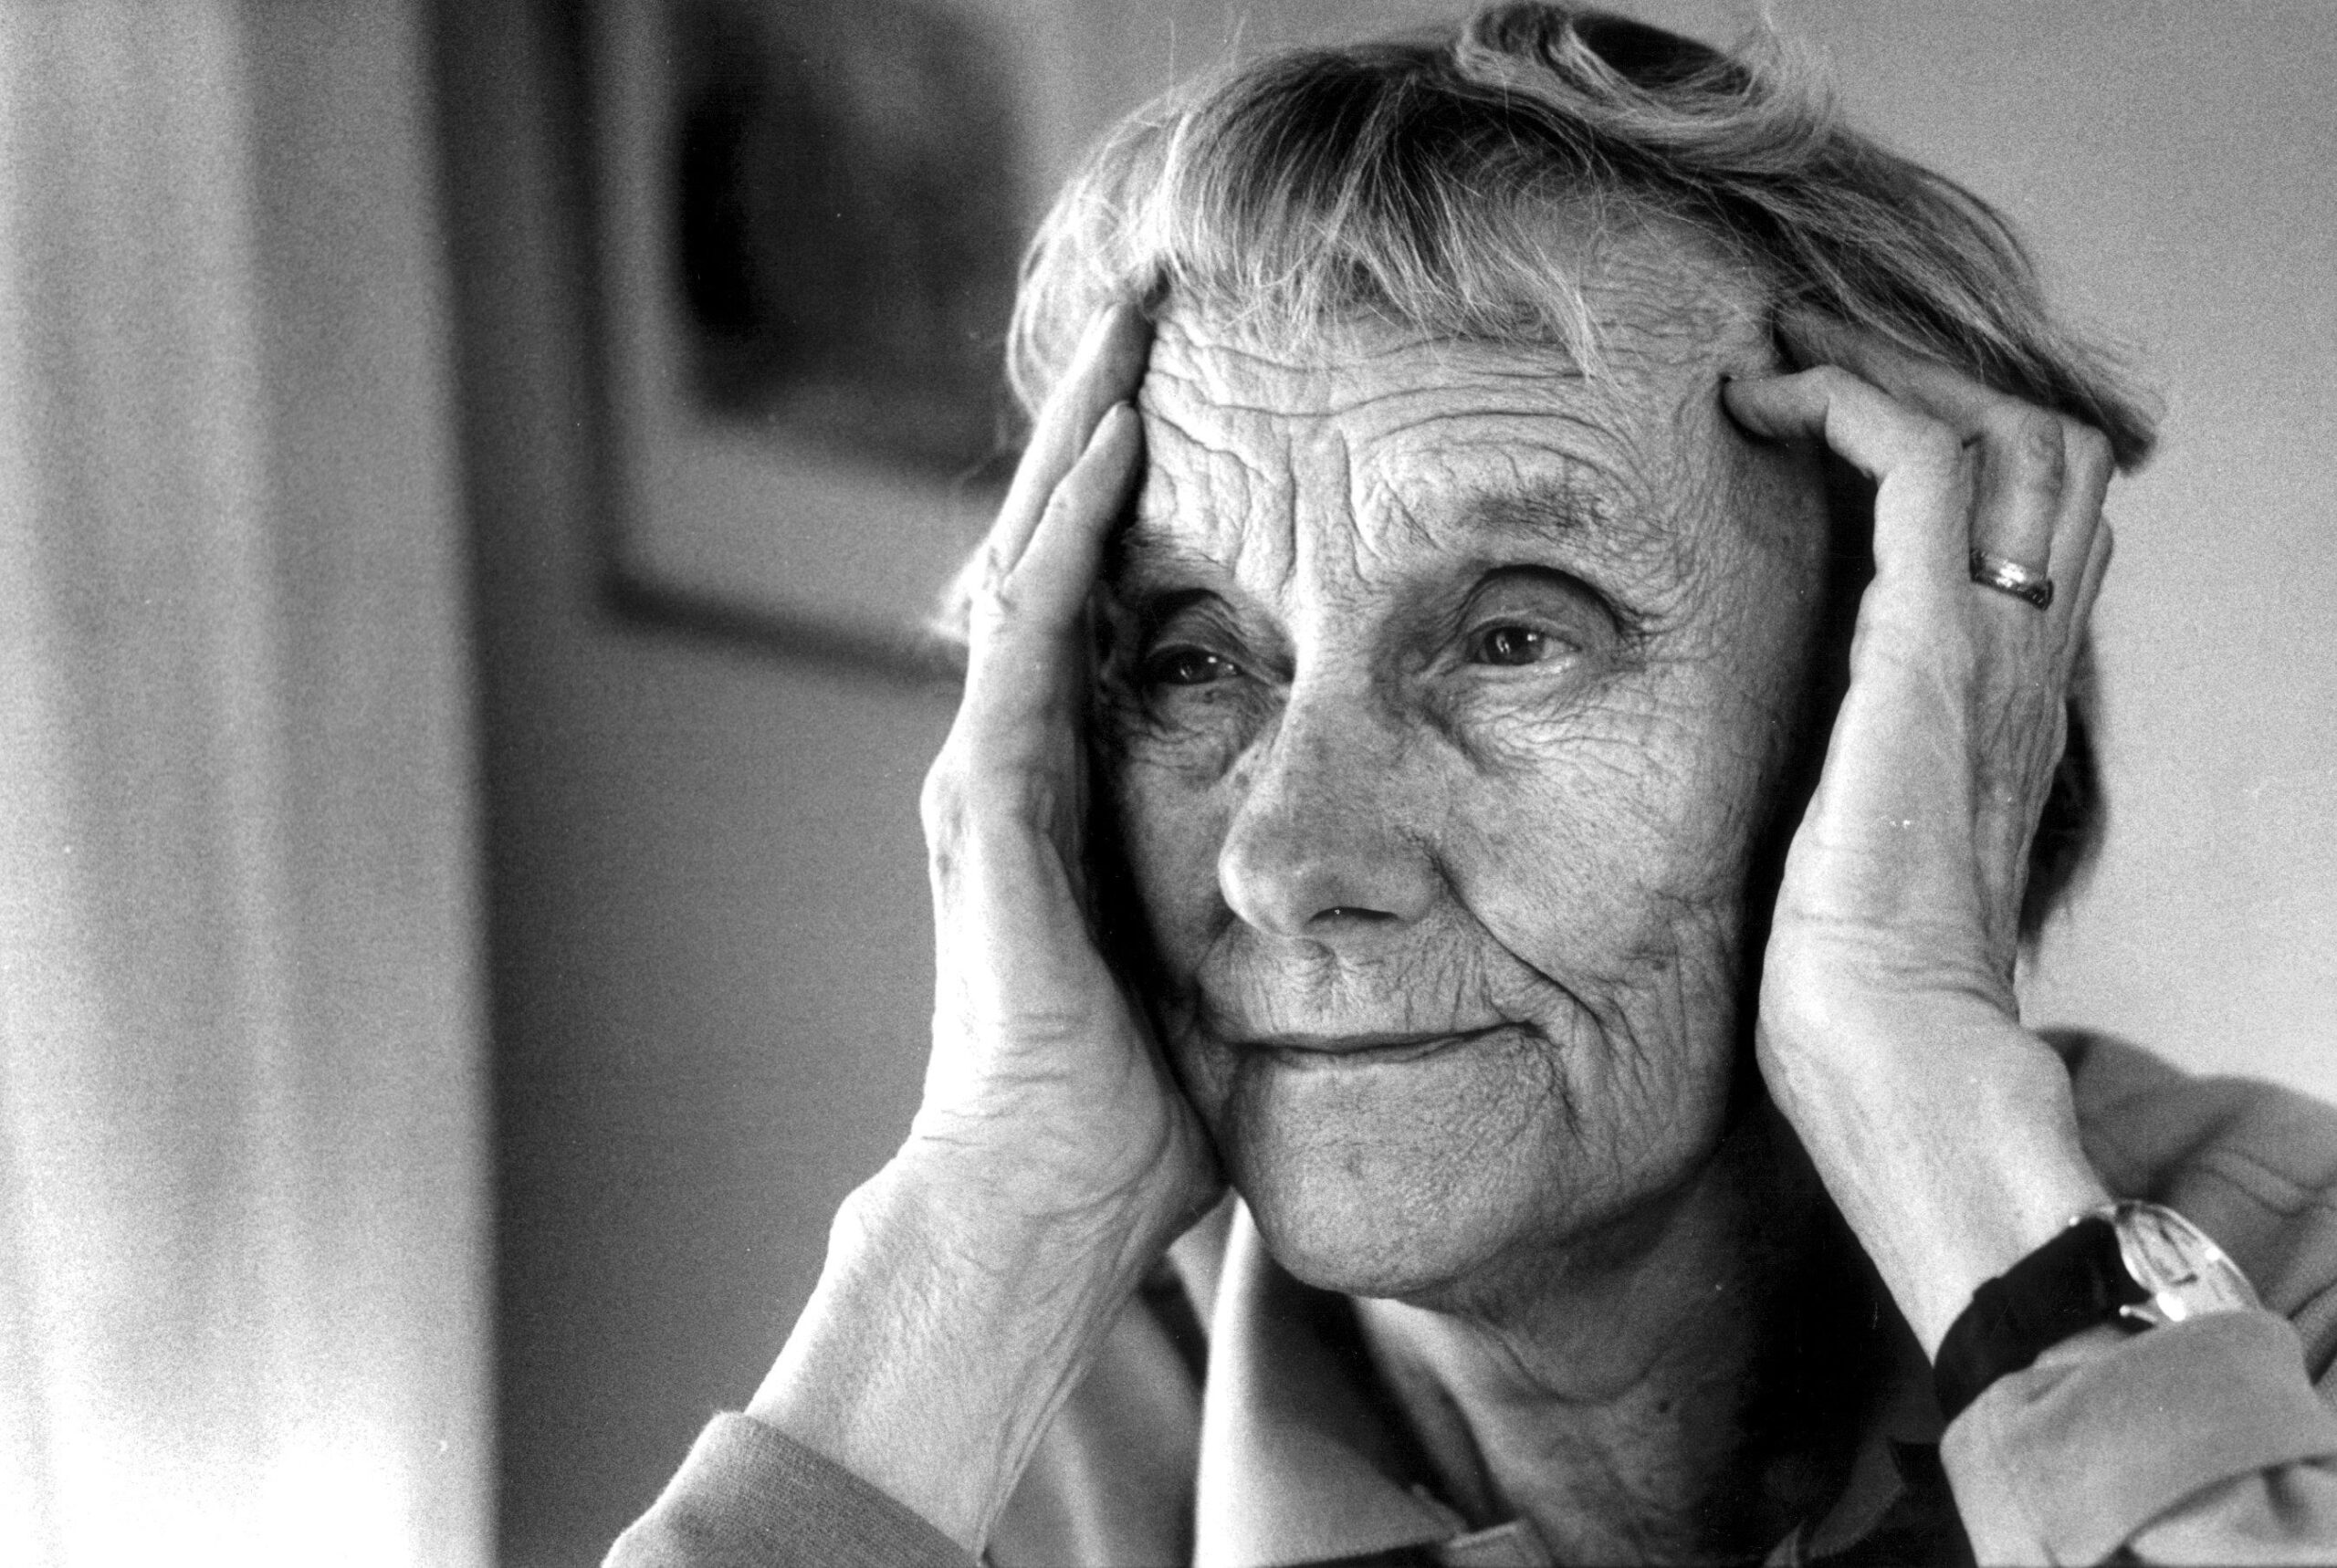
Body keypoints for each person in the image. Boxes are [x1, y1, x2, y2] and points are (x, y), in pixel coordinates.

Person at [609, 6, 2337, 1563]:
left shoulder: (2292, 1286)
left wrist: (1954, 1137)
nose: (1288, 856)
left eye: (1514, 636)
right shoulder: (991, 1439)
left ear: (1894, 715)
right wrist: (993, 1213)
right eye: (1196, 657)